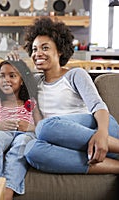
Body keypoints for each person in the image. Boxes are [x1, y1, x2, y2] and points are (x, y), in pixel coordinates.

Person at [22, 17, 119, 174]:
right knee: (31, 150)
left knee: (45, 127)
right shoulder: (34, 82)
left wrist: (102, 133)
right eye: (34, 49)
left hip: (99, 129)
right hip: (66, 141)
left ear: (59, 51)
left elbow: (98, 107)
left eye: (45, 48)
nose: (38, 53)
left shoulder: (75, 75)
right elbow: (4, 80)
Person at [0, 60, 38, 200]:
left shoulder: (30, 103)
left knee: (22, 144)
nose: (6, 80)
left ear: (22, 80)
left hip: (25, 133)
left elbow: (41, 127)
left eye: (12, 76)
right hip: (2, 133)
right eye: (2, 76)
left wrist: (28, 127)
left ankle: (8, 190)